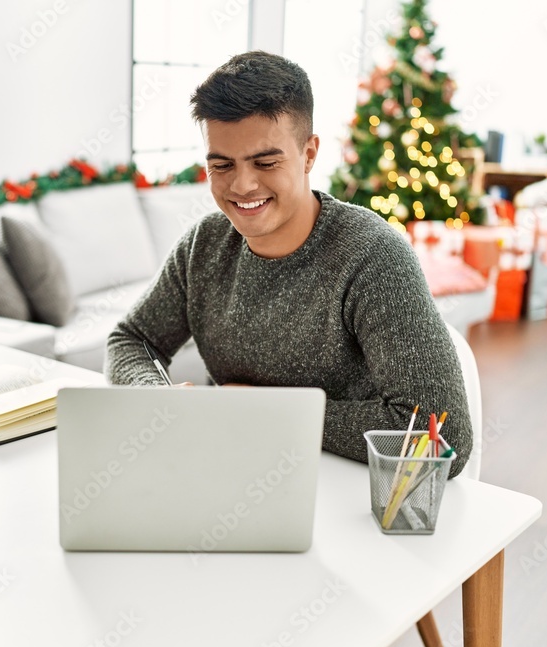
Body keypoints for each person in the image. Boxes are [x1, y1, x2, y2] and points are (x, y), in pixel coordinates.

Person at [105, 51, 470, 476]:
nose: (242, 185)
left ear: (309, 154)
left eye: (266, 162)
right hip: (228, 472)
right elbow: (131, 339)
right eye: (221, 165)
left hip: (345, 495)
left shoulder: (373, 256)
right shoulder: (203, 246)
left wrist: (266, 410)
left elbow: (444, 439)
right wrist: (155, 396)